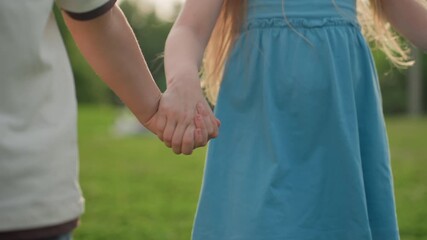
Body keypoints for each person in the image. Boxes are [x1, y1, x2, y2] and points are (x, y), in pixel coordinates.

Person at [164, 0, 427, 239]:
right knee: (260, 223)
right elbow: (189, 28)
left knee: (341, 218)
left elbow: (401, 8)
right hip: (263, 125)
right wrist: (182, 80)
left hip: (340, 126)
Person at [0, 0, 218, 239]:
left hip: (26, 189)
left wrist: (153, 112)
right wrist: (156, 109)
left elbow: (94, 14)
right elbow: (95, 17)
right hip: (27, 190)